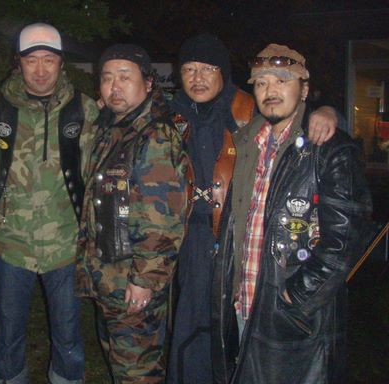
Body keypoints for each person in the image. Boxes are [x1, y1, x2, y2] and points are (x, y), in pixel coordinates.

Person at [167, 33, 339, 384]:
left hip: (243, 246)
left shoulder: (248, 113)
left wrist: (328, 111)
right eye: (189, 69)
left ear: (224, 72)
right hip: (192, 242)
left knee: (242, 344)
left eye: (207, 68)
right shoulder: (171, 115)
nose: (198, 78)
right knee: (192, 329)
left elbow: (298, 119)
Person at [211, 44, 373, 383]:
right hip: (244, 302)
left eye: (281, 81)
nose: (270, 90)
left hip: (294, 317)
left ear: (304, 89)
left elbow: (346, 240)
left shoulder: (330, 149)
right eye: (261, 83)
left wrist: (295, 296)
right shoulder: (247, 142)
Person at [0, 22, 99, 384]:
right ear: (19, 62)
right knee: (8, 334)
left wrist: (93, 236)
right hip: (11, 244)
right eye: (32, 60)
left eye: (49, 60)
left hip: (66, 243)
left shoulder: (83, 108)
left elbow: (94, 176)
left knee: (68, 336)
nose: (41, 70)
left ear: (61, 63)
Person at [75, 44, 189, 383]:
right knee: (119, 364)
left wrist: (145, 281)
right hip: (109, 279)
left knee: (138, 372)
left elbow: (162, 219)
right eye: (107, 78)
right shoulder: (112, 130)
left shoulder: (154, 136)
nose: (114, 87)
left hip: (133, 283)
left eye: (125, 77)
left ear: (148, 83)